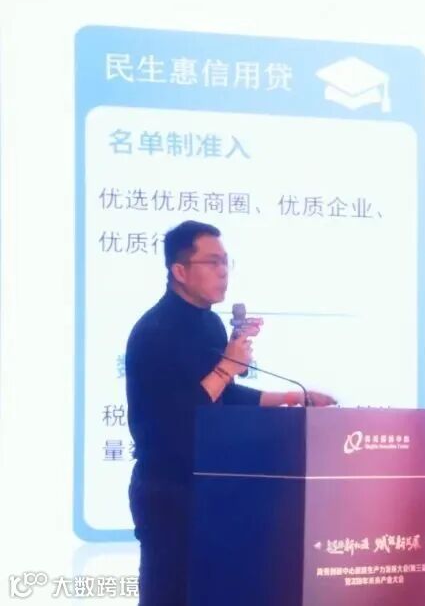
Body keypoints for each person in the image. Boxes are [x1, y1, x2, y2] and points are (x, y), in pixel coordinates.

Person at [125, 220, 336, 606]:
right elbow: (181, 414)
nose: (223, 271)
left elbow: (224, 396)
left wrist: (295, 398)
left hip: (211, 483)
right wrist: (227, 366)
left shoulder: (208, 323)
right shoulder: (156, 329)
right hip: (168, 488)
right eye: (212, 262)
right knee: (168, 594)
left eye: (226, 262)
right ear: (180, 271)